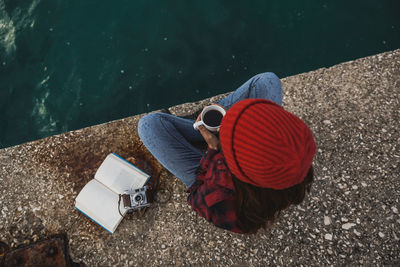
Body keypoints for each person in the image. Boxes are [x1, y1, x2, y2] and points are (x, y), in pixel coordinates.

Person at [138, 73, 316, 234]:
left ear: (232, 160)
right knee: (268, 80)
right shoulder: (294, 168)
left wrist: (213, 150)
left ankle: (195, 126)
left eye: (229, 136)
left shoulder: (220, 199)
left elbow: (196, 196)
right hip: (245, 162)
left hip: (207, 171)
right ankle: (201, 123)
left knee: (148, 126)